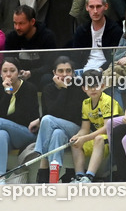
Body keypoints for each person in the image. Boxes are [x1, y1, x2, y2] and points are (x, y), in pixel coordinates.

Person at [33, 56, 86, 184]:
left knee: (46, 120)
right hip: (56, 129)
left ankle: (43, 165)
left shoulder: (79, 88)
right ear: (54, 73)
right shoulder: (48, 89)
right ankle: (53, 177)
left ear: (73, 73)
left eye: (68, 71)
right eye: (61, 71)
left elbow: (71, 114)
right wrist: (63, 89)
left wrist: (64, 88)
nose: (64, 74)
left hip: (76, 129)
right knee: (57, 134)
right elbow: (51, 112)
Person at [68, 69, 123, 183]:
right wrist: (78, 137)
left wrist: (85, 138)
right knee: (75, 142)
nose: (93, 89)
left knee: (98, 138)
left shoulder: (108, 101)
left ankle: (89, 177)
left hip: (115, 137)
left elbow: (108, 128)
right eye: (89, 86)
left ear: (102, 86)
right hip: (101, 137)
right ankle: (79, 176)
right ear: (84, 88)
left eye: (96, 85)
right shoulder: (85, 103)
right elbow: (85, 129)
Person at [4, 5, 58, 83]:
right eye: (15, 23)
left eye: (21, 23)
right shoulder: (11, 37)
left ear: (32, 22)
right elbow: (7, 60)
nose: (17, 27)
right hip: (18, 76)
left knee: (47, 78)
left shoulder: (47, 36)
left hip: (40, 76)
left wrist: (31, 73)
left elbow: (50, 65)